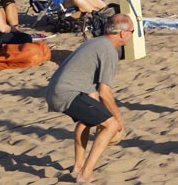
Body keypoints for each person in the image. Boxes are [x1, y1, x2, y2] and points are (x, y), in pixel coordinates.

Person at [45, 13, 135, 183]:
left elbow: (94, 94)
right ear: (123, 33)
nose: (132, 35)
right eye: (133, 31)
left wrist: (103, 113)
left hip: (55, 90)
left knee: (88, 120)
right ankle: (85, 173)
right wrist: (118, 119)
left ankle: (78, 166)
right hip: (67, 92)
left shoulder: (96, 42)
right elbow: (104, 92)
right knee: (111, 125)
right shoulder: (109, 50)